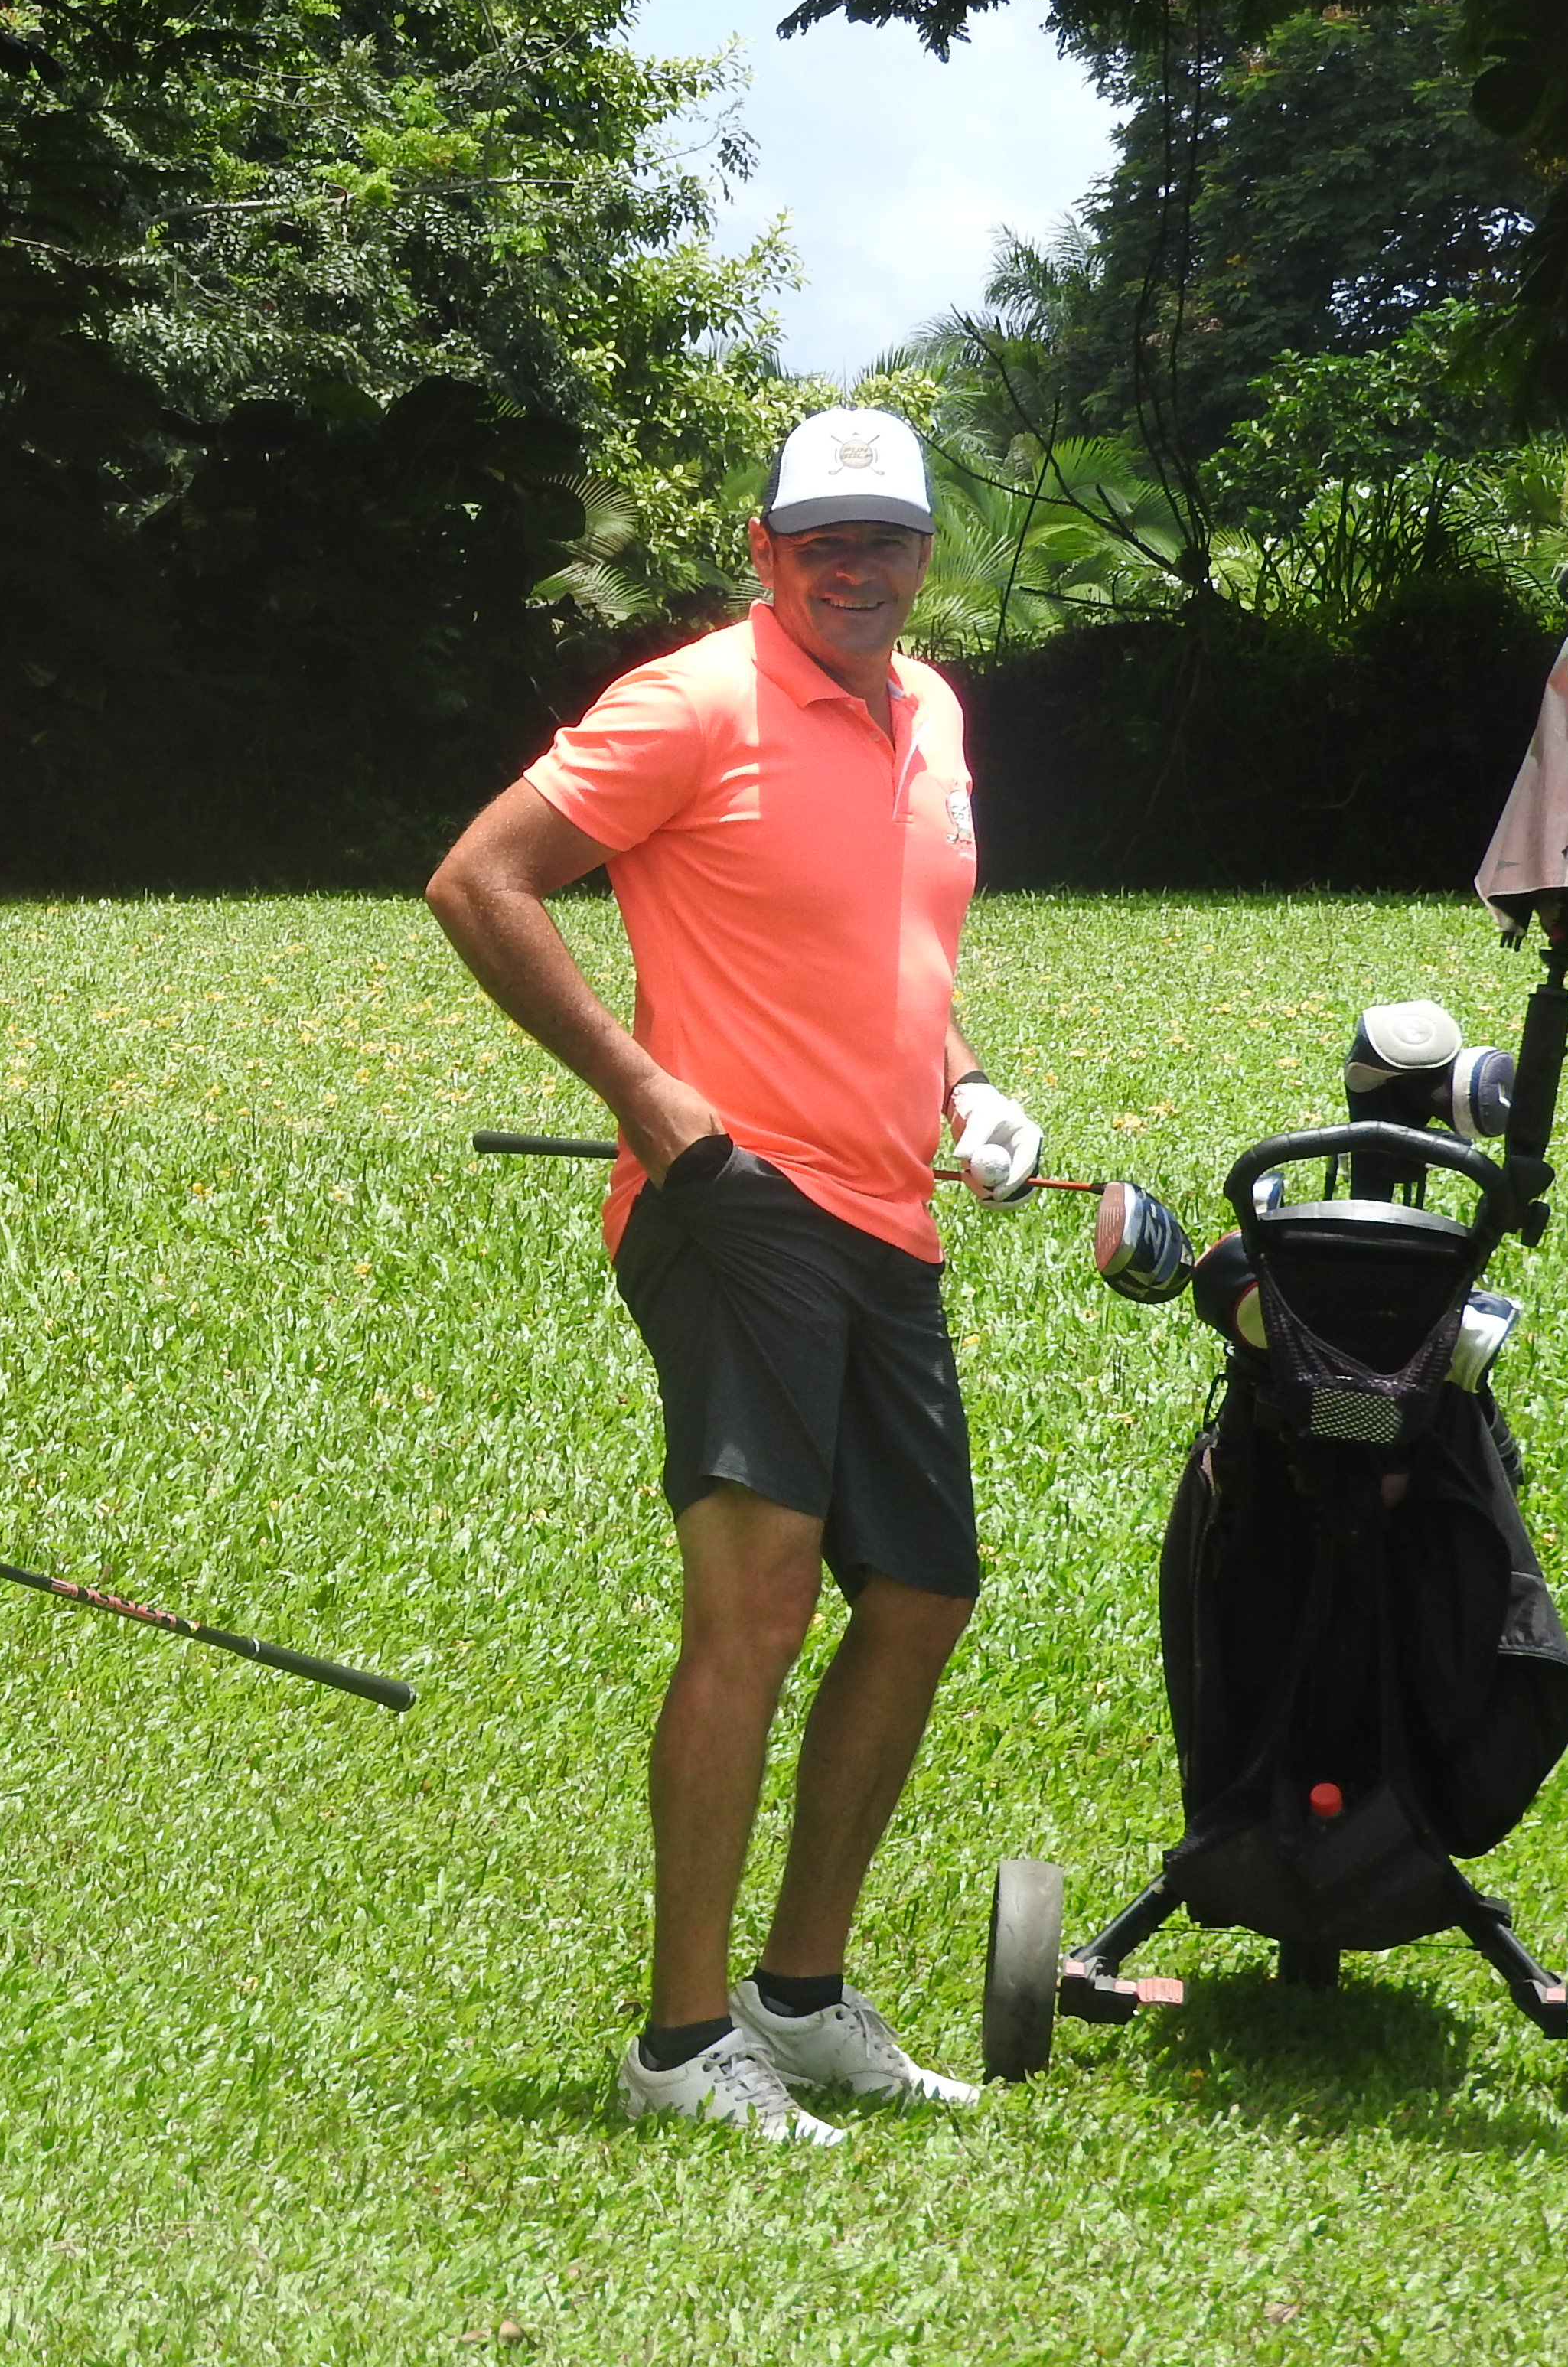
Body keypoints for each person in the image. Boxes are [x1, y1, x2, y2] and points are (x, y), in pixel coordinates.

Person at [423, 407, 1045, 2146]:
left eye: (888, 541)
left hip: (885, 1212)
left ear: (929, 558)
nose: (855, 568)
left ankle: (800, 1993)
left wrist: (966, 1086)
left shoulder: (932, 714)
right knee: (757, 1611)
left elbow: (896, 955)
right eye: (820, 541)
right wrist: (652, 1100)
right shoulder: (693, 701)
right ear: (765, 553)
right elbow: (481, 880)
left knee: (918, 1594)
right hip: (734, 1202)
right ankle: (684, 2040)